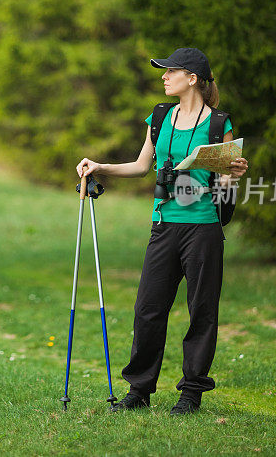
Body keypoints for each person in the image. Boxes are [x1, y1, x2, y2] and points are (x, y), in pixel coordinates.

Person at [75, 47, 248, 415]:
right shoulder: (160, 117)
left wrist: (233, 176)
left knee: (201, 311)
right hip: (164, 225)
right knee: (148, 309)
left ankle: (191, 393)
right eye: (163, 72)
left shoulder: (218, 124)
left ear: (193, 79)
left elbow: (225, 187)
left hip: (202, 227)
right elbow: (141, 166)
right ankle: (139, 390)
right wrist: (100, 165)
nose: (164, 77)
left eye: (171, 71)